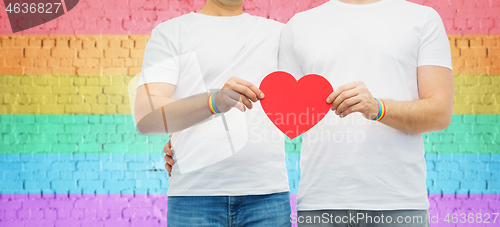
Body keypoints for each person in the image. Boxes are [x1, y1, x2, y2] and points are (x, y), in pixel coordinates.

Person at [278, 0, 453, 226]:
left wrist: (377, 108)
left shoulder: (423, 19)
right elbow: (287, 114)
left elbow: (440, 113)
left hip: (399, 203)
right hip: (320, 202)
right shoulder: (298, 26)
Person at [134, 0, 291, 226]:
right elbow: (145, 115)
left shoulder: (279, 35)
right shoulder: (171, 33)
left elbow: (312, 95)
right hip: (193, 197)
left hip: (267, 196)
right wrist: (213, 102)